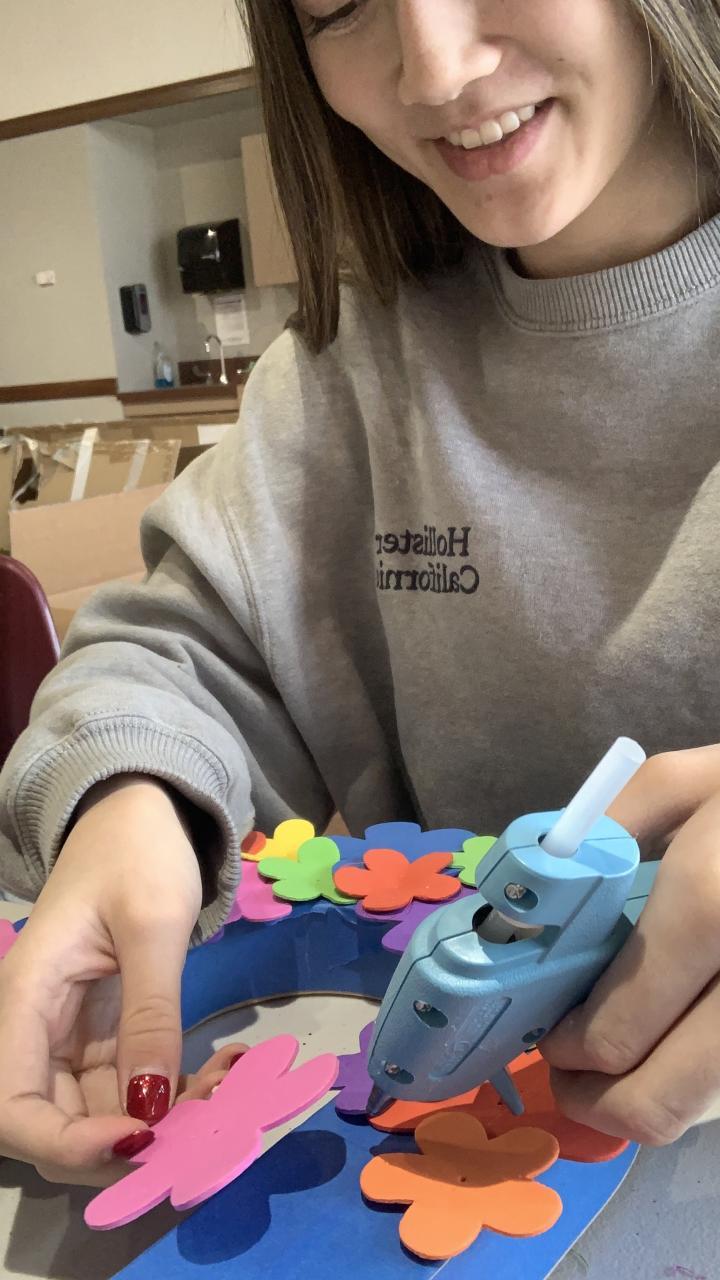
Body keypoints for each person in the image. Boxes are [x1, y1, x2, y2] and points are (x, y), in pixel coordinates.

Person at [2, 0, 720, 1186]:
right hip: (444, 1169)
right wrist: (132, 796)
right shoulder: (348, 366)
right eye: (337, 1)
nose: (434, 69)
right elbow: (180, 651)